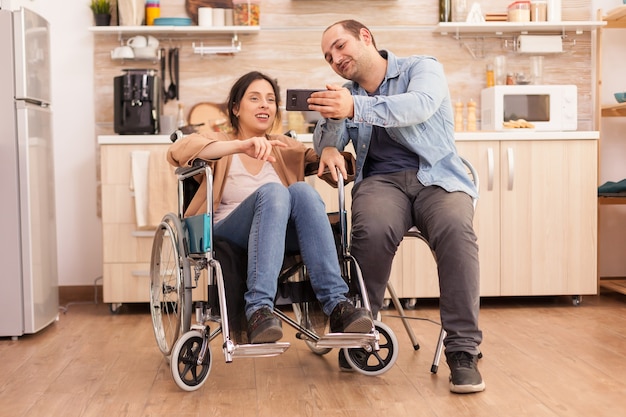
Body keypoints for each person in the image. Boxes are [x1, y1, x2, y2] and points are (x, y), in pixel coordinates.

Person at [308, 20, 485, 393]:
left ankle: (462, 351)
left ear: (366, 37)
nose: (335, 59)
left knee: (456, 231)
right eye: (328, 56)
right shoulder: (346, 93)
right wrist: (327, 143)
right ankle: (359, 332)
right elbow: (330, 137)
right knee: (369, 230)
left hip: (438, 178)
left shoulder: (423, 68)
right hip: (381, 183)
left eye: (340, 47)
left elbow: (417, 107)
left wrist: (354, 106)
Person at [167, 71, 373, 345]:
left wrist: (330, 151)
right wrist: (239, 146)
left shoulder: (285, 146)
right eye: (255, 98)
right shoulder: (219, 142)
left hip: (279, 234)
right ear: (236, 108)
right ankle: (258, 309)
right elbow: (177, 151)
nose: (265, 105)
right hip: (229, 231)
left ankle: (337, 304)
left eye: (270, 100)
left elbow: (337, 172)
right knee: (275, 191)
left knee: (302, 191)